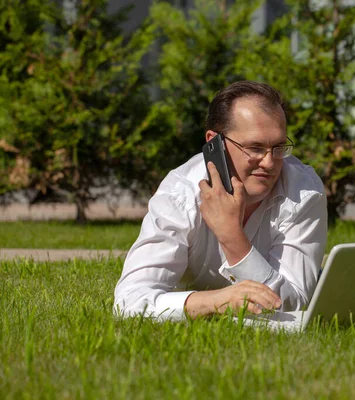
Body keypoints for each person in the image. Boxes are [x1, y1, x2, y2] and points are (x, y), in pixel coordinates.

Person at [113, 81, 327, 320]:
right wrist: (216, 301)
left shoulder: (303, 191)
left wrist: (232, 236)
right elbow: (129, 302)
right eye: (255, 147)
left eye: (278, 147)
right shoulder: (180, 195)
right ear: (214, 143)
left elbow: (295, 302)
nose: (269, 162)